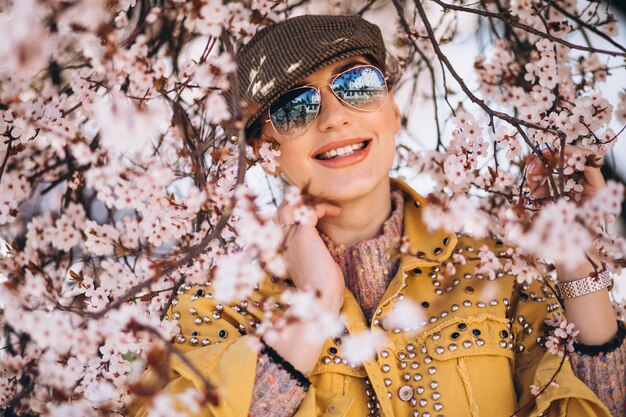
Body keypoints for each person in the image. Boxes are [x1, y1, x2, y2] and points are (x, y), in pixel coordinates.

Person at [131, 15, 625, 417]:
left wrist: (577, 266)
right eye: (295, 107)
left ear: (392, 110)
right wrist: (313, 311)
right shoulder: (218, 305)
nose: (333, 117)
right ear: (266, 150)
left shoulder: (495, 263)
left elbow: (600, 406)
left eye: (357, 84)